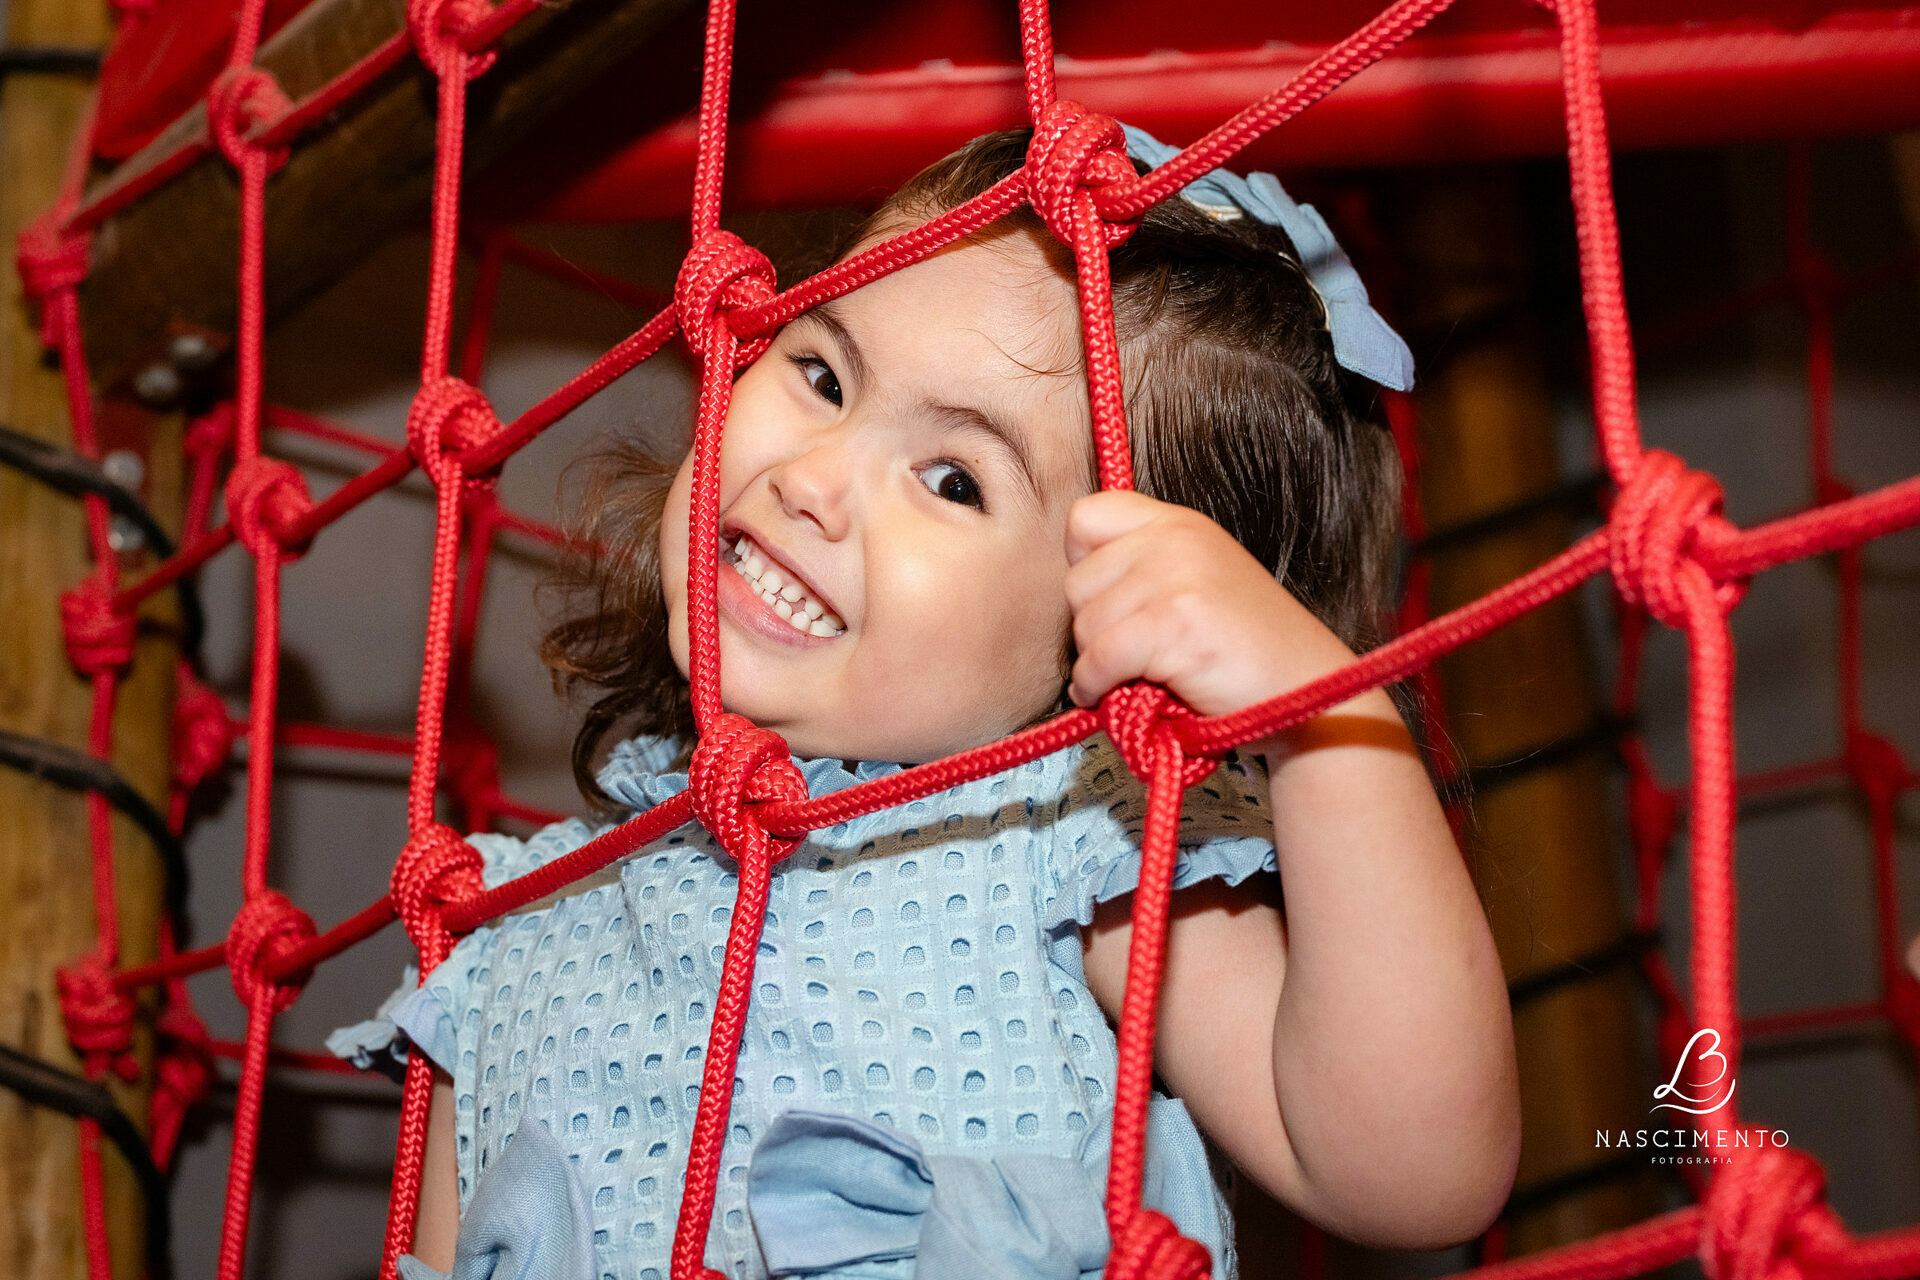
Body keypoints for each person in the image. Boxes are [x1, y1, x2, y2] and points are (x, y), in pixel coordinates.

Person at [333, 125, 1521, 1280]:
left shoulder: (1065, 847)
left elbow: (1414, 1175)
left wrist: (1323, 716)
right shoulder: (515, 924)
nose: (812, 480)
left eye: (954, 480)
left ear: (1113, 631)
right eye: (822, 374)